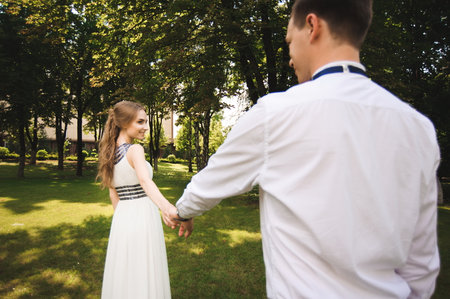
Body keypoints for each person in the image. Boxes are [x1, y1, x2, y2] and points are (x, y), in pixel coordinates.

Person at [173, 0, 441, 298]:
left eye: (289, 41)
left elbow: (212, 181)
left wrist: (183, 211)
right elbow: (422, 264)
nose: (290, 57)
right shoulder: (418, 128)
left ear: (312, 26)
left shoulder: (276, 113)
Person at [97, 100, 177, 299]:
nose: (145, 127)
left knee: (127, 271)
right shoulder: (135, 150)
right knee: (144, 269)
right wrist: (167, 207)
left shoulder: (109, 153)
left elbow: (113, 193)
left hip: (122, 218)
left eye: (146, 122)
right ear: (124, 123)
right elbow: (144, 181)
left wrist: (121, 221)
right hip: (142, 215)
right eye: (140, 122)